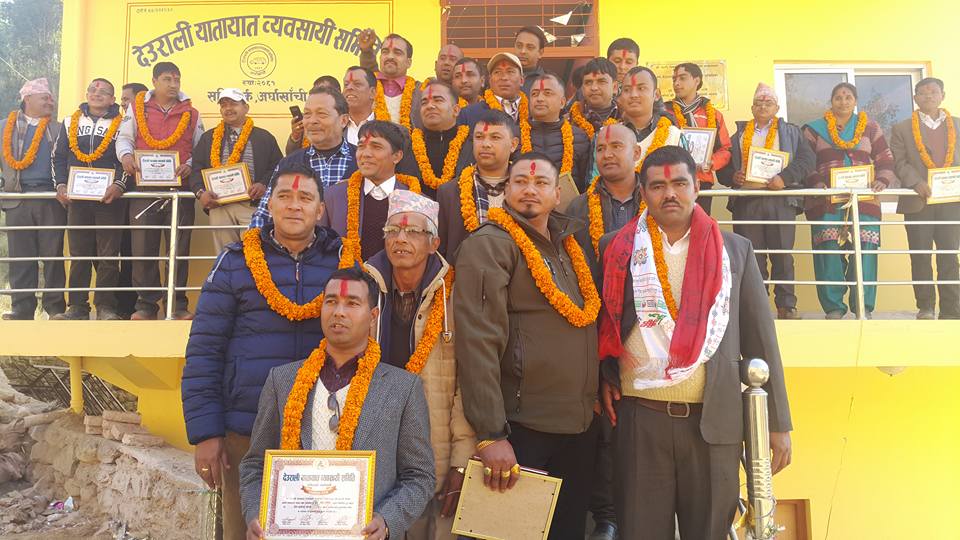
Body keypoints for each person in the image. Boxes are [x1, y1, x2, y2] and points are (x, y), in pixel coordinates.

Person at [598, 146, 793, 540]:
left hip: (712, 422)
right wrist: (603, 376)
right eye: (658, 186)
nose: (669, 193)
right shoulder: (615, 247)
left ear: (696, 188)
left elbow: (761, 340)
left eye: (679, 183)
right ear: (643, 193)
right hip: (640, 420)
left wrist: (777, 423)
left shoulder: (734, 250)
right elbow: (602, 326)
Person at [182, 163, 342, 540]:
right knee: (245, 531)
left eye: (305, 198)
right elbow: (204, 350)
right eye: (284, 196)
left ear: (320, 209)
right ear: (269, 205)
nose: (294, 205)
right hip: (247, 428)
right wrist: (206, 433)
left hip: (323, 431)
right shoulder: (235, 261)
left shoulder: (344, 261)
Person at [455, 152, 601, 540]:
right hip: (521, 430)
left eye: (540, 183)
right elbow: (478, 342)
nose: (530, 190)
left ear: (557, 194)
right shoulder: (490, 245)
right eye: (520, 181)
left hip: (577, 427)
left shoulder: (568, 244)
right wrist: (491, 434)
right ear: (506, 190)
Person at [240, 266, 435, 540]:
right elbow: (254, 465)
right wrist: (255, 514)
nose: (339, 312)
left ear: (373, 316)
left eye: (352, 303)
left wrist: (387, 520)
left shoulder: (402, 388)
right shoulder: (282, 381)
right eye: (331, 301)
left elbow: (420, 476)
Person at [365, 190, 475, 539]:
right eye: (393, 231)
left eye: (413, 232)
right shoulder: (363, 290)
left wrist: (462, 460)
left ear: (434, 243)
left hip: (435, 444)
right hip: (373, 445)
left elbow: (466, 383)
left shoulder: (455, 294)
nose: (401, 239)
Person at [116, 61, 204, 320]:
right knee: (143, 248)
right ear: (154, 81)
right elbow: (124, 138)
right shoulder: (136, 109)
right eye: (167, 79)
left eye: (177, 79)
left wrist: (190, 165)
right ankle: (146, 305)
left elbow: (200, 149)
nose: (173, 84)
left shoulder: (192, 113)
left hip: (180, 190)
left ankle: (177, 305)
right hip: (144, 189)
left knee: (178, 249)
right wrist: (126, 157)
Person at [802, 83, 896, 319]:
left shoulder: (871, 128)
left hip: (864, 202)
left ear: (855, 101)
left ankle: (864, 306)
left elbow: (885, 159)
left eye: (848, 97)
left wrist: (882, 180)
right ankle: (833, 307)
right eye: (838, 97)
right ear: (831, 101)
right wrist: (816, 183)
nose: (843, 101)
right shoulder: (814, 130)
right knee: (828, 252)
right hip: (826, 202)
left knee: (865, 251)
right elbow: (804, 162)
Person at [723, 83, 815, 320]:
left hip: (780, 200)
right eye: (758, 103)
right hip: (747, 201)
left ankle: (786, 305)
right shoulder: (739, 135)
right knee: (752, 257)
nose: (763, 107)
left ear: (777, 108)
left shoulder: (792, 133)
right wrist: (733, 176)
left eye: (768, 103)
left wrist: (785, 178)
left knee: (782, 254)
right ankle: (757, 307)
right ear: (752, 108)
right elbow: (723, 169)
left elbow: (807, 161)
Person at [50, 78, 126, 321]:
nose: (97, 93)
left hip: (109, 199)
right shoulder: (70, 121)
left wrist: (119, 184)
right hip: (78, 199)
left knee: (108, 255)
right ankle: (77, 307)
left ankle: (105, 307)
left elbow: (127, 157)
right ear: (87, 94)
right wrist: (61, 184)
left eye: (104, 91)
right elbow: (58, 157)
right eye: (93, 89)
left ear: (112, 99)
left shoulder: (123, 123)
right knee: (79, 253)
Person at [890, 77, 960, 320]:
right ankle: (926, 307)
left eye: (933, 91)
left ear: (943, 95)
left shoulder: (958, 124)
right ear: (915, 98)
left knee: (949, 254)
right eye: (923, 92)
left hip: (951, 202)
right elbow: (899, 162)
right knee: (920, 255)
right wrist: (916, 182)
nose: (928, 96)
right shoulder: (901, 128)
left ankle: (952, 309)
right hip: (917, 201)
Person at [0, 77, 65, 320]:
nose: (50, 102)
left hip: (51, 199)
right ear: (27, 98)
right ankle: (22, 308)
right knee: (21, 256)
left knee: (53, 256)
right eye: (45, 98)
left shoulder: (59, 129)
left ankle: (55, 308)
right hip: (17, 199)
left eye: (51, 98)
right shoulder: (4, 127)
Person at [190, 89, 283, 253]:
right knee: (225, 254)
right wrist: (200, 193)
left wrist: (264, 184)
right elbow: (196, 170)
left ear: (246, 108)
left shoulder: (264, 137)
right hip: (219, 206)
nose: (228, 108)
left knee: (254, 253)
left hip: (253, 205)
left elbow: (278, 168)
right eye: (224, 105)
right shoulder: (208, 138)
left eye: (233, 104)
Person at [250, 87, 358, 228]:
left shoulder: (361, 160)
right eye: (307, 114)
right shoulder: (288, 163)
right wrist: (255, 239)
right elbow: (264, 213)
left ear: (343, 120)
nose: (312, 121)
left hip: (349, 240)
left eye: (322, 114)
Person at [322, 120, 422, 263]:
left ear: (397, 156)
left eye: (376, 147)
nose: (366, 154)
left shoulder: (417, 200)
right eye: (361, 146)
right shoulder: (333, 197)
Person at [437, 109, 519, 262]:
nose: (485, 144)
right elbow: (441, 250)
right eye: (479, 137)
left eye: (495, 137)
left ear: (513, 144)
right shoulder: (449, 192)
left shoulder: (527, 190)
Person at [568, 124, 642, 271]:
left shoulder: (654, 201)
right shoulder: (578, 208)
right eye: (600, 149)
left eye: (616, 146)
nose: (607, 154)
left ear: (636, 153)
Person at [668, 63, 732, 214]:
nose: (676, 83)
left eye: (682, 78)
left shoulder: (713, 115)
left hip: (702, 181)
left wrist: (712, 163)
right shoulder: (665, 112)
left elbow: (726, 149)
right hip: (671, 180)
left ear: (697, 81)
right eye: (674, 79)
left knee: (700, 224)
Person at [408, 80, 471, 200]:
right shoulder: (406, 146)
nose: (430, 106)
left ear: (456, 110)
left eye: (438, 100)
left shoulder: (472, 145)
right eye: (424, 102)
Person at [528, 73, 590, 191]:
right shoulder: (515, 136)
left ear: (562, 102)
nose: (539, 99)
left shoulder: (579, 138)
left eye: (547, 93)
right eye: (534, 94)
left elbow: (585, 185)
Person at [615, 67, 682, 175]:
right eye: (627, 90)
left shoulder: (675, 136)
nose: (633, 95)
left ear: (656, 95)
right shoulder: (607, 135)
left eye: (641, 88)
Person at [358, 30, 424, 129]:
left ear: (408, 62)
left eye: (397, 53)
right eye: (385, 52)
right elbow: (368, 69)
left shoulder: (420, 91)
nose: (390, 56)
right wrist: (366, 51)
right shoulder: (369, 87)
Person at [457, 52, 528, 139]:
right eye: (497, 72)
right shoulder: (469, 114)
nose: (504, 77)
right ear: (490, 80)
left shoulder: (532, 112)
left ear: (522, 80)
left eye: (510, 72)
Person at [568, 58, 620, 140]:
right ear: (582, 88)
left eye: (601, 81)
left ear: (615, 87)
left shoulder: (626, 117)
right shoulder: (568, 120)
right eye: (588, 82)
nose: (594, 88)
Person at [342, 66, 377, 146]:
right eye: (346, 84)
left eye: (357, 84)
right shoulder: (333, 128)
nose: (349, 88)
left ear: (372, 93)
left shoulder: (389, 130)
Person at [515, 25, 547, 95]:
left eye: (530, 47)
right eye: (519, 46)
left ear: (540, 53)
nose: (523, 51)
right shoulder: (502, 77)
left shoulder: (548, 81)